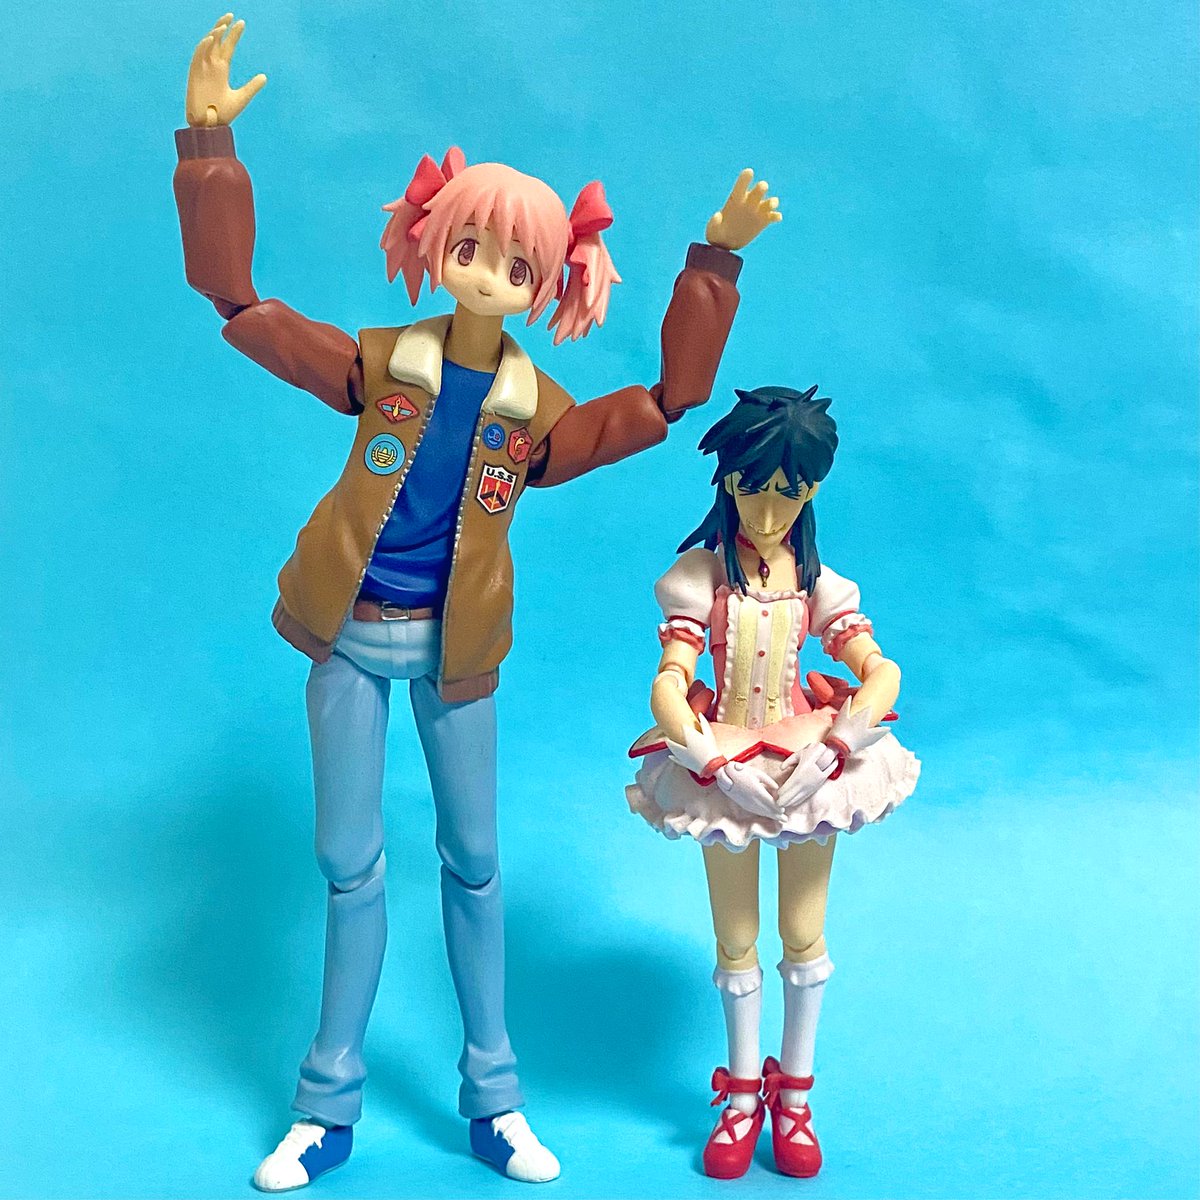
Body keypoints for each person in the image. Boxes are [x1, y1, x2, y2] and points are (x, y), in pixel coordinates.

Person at [173, 13, 782, 1191]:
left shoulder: (532, 409)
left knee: (478, 864)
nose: (490, 275)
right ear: (432, 241)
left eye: (518, 266)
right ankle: (326, 1103)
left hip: (456, 655)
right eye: (472, 249)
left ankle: (494, 1098)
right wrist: (207, 149)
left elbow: (662, 405)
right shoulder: (379, 362)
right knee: (348, 864)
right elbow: (239, 305)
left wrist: (713, 264)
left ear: (546, 284)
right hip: (349, 640)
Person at [626, 385, 920, 1179]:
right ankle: (742, 1096)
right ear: (727, 479)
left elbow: (882, 672)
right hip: (725, 754)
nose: (765, 512)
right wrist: (712, 764)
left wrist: (836, 747)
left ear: (812, 490)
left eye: (787, 492)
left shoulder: (818, 583)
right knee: (735, 936)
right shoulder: (702, 576)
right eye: (752, 487)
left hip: (803, 756)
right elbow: (669, 682)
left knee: (803, 928)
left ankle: (794, 1096)